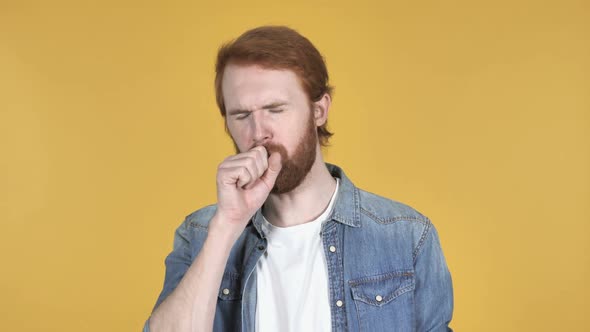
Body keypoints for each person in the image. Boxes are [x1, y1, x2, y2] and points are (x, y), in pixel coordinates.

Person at [143, 25, 453, 332]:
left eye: (275, 109)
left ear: (319, 111)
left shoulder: (407, 236)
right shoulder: (199, 235)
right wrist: (227, 225)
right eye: (240, 115)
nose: (258, 132)